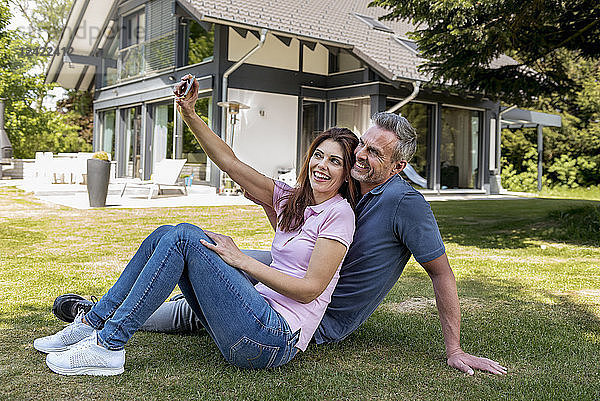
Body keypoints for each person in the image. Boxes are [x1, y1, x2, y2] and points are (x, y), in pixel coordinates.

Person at [67, 111, 506, 375]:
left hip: (313, 316)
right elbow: (239, 172)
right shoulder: (347, 191)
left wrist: (453, 348)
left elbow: (441, 272)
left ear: (399, 164)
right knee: (196, 262)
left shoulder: (401, 202)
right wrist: (190, 114)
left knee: (204, 255)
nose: (360, 157)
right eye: (362, 147)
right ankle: (97, 315)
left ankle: (105, 335)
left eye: (374, 153)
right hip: (293, 284)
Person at [32, 75, 359, 375]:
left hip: (274, 338)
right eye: (319, 155)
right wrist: (189, 112)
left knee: (186, 236)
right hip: (251, 314)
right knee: (167, 234)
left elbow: (310, 290)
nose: (323, 165)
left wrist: (241, 260)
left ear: (346, 173)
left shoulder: (339, 215)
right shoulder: (291, 199)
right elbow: (229, 162)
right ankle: (94, 322)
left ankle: (109, 345)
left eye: (335, 161)